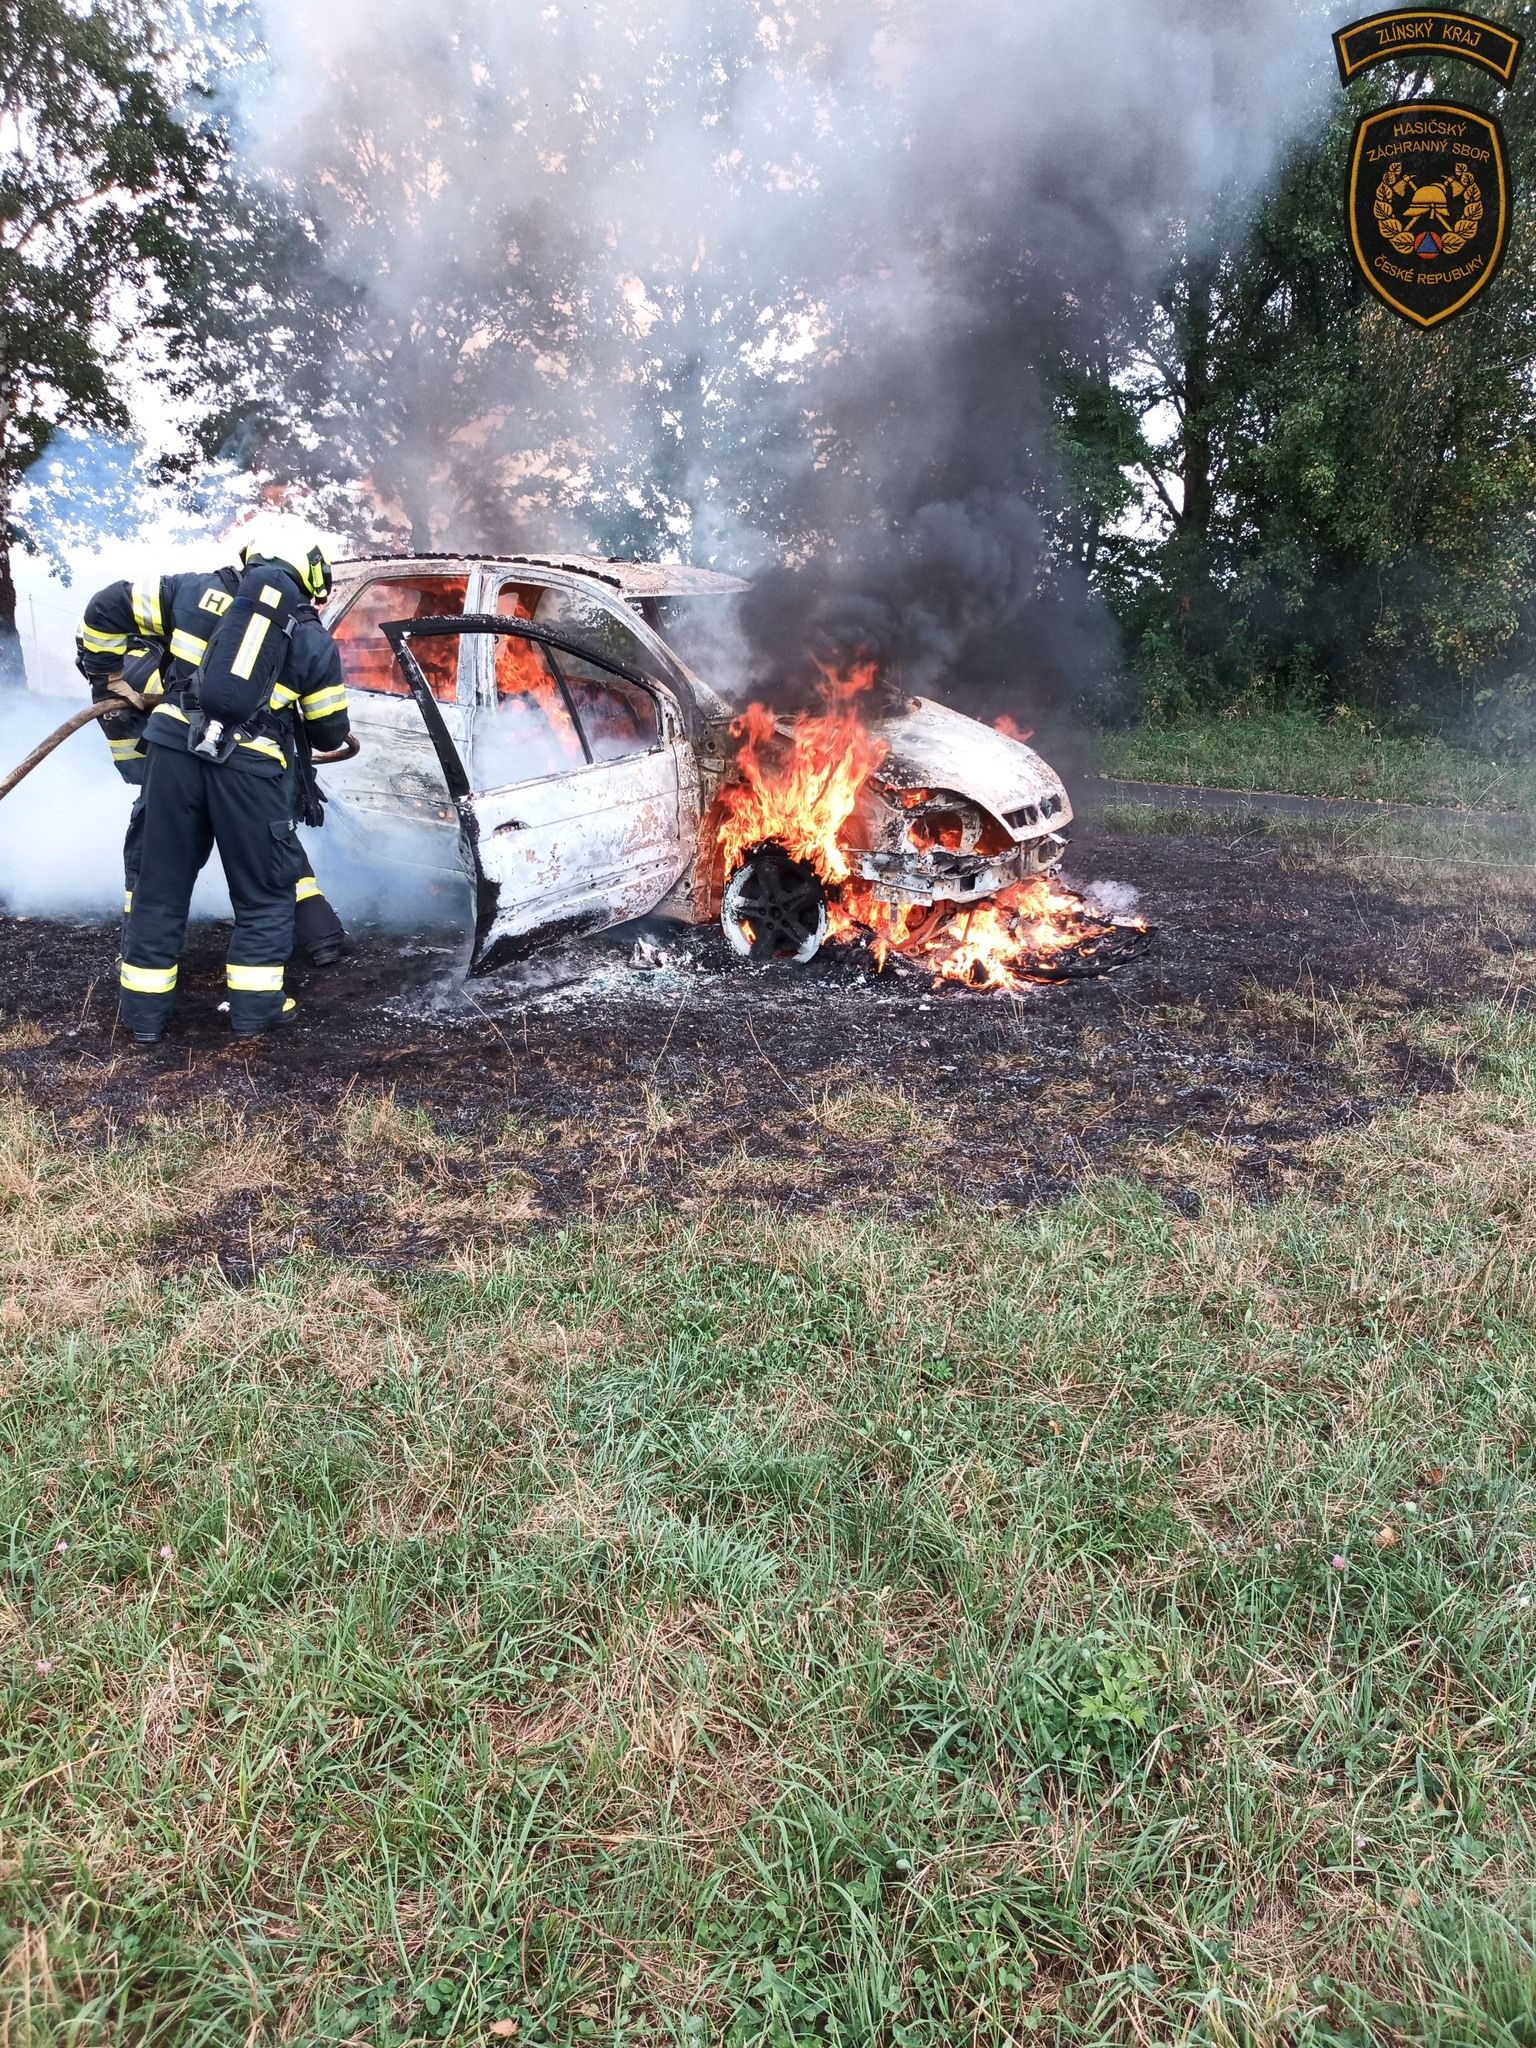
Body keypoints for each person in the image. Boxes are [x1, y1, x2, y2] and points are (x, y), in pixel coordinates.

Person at [112, 516, 354, 1043]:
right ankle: (255, 1013)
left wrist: (114, 674)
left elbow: (108, 606)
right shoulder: (310, 636)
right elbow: (330, 730)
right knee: (263, 896)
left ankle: (144, 1020)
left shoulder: (193, 591)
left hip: (174, 750)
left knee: (158, 889)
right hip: (250, 771)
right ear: (310, 575)